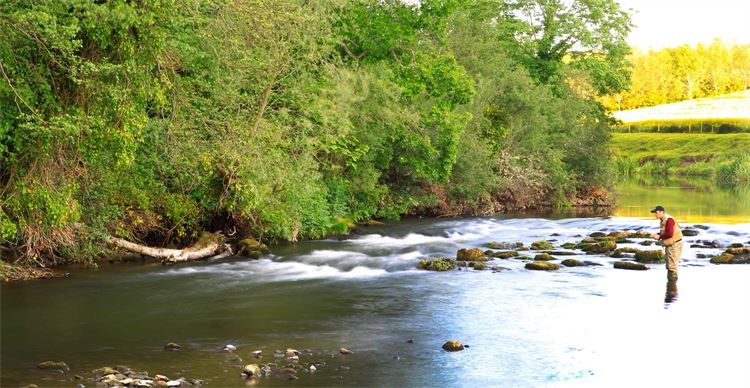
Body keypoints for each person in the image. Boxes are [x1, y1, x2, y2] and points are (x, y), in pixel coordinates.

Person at [650, 205, 683, 281]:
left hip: (675, 244)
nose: (655, 214)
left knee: (672, 266)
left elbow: (670, 234)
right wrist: (658, 234)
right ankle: (671, 286)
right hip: (671, 244)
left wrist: (659, 236)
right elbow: (667, 232)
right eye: (654, 213)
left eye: (656, 212)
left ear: (662, 212)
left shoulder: (669, 220)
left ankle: (672, 285)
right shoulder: (663, 220)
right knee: (669, 265)